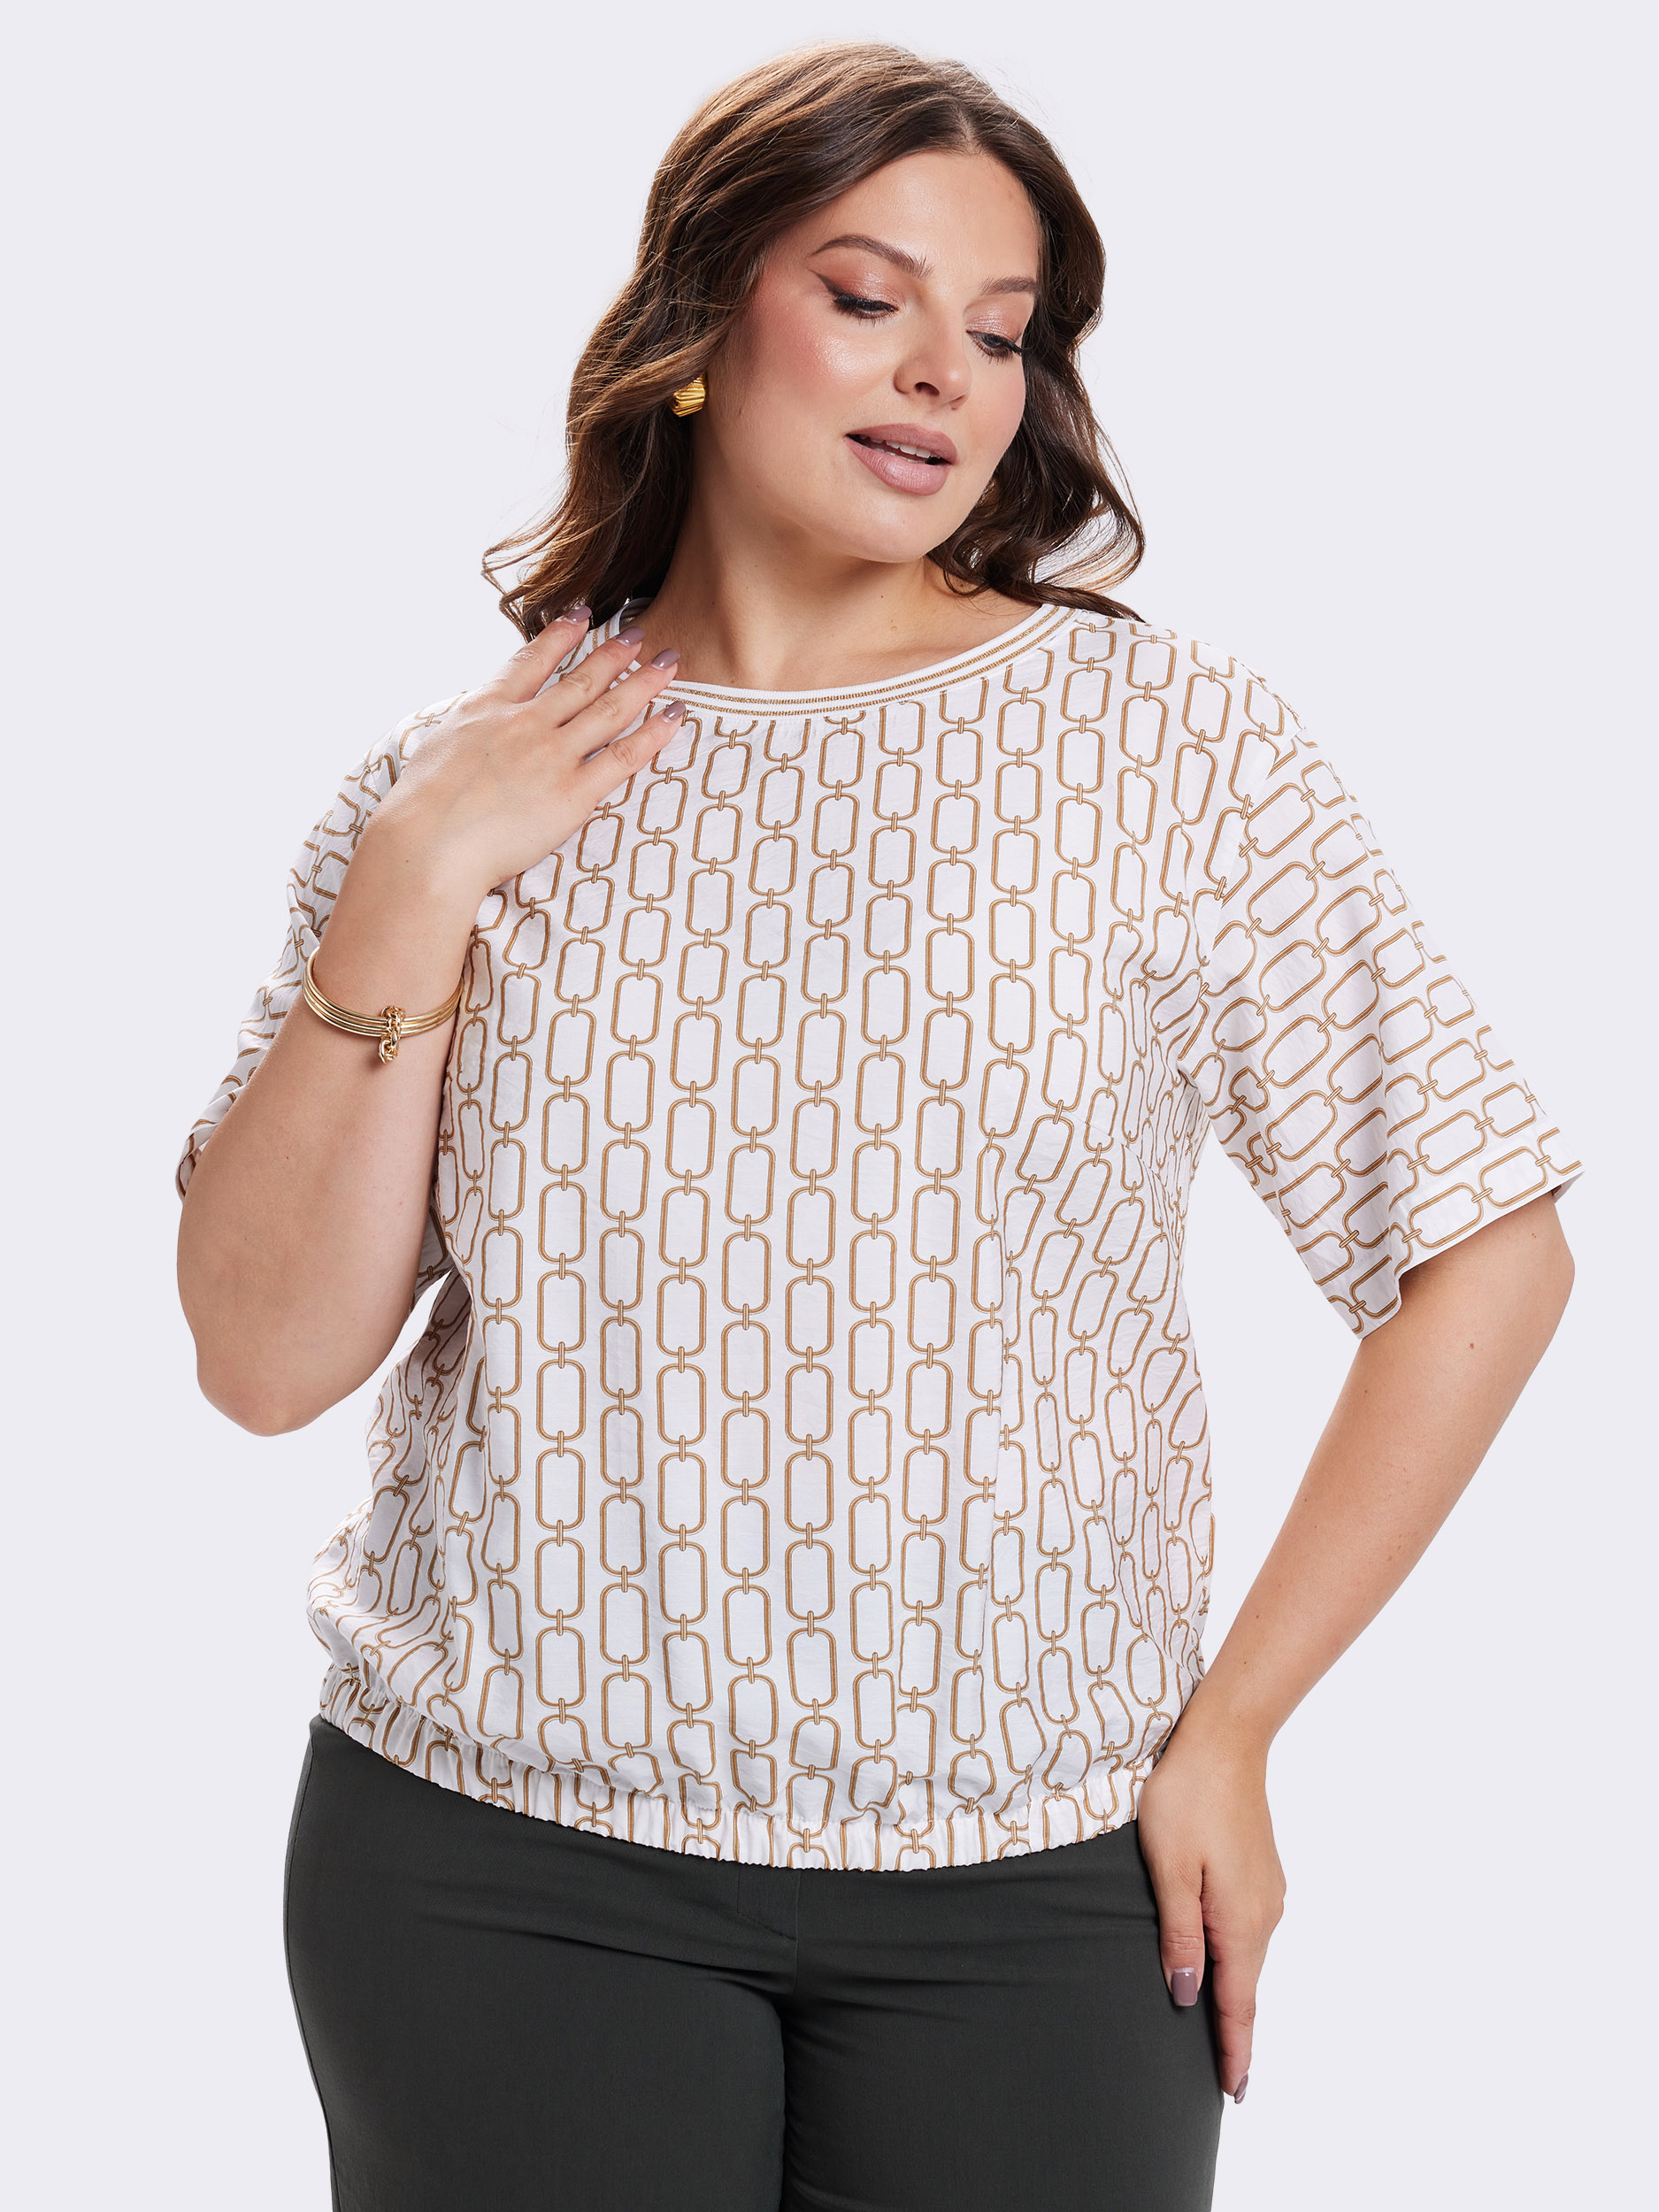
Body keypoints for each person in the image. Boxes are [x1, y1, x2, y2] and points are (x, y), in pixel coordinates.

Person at [173, 41, 1581, 2212]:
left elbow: (1481, 1241)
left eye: (1002, 332)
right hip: (496, 1866)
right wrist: (415, 877)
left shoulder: (1167, 747)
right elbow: (267, 1360)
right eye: (866, 296)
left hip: (1042, 1875)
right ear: (695, 319)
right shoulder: (456, 783)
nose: (945, 372)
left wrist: (1230, 1728)